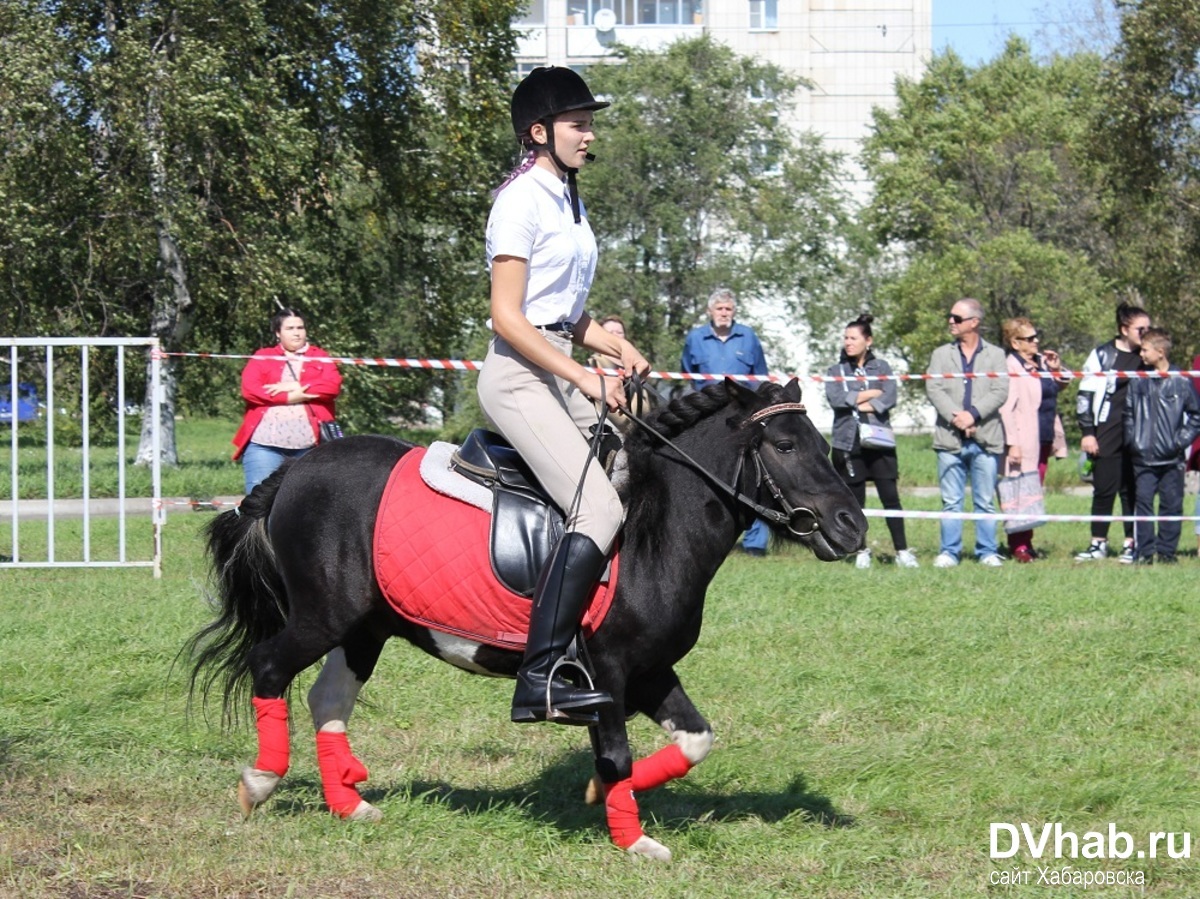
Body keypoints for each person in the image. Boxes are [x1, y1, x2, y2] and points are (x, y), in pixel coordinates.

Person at [478, 67, 650, 726]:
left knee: (636, 465)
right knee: (599, 508)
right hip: (519, 376)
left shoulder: (566, 198)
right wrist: (583, 375)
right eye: (579, 123)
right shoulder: (520, 200)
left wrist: (613, 346)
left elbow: (563, 313)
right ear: (540, 131)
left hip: (558, 364)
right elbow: (509, 317)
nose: (590, 133)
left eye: (589, 122)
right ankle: (540, 675)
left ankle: (607, 636)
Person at [681, 287, 770, 555]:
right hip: (708, 415)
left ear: (734, 312)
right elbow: (686, 376)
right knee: (709, 470)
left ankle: (755, 544)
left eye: (728, 309)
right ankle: (709, 534)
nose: (724, 313)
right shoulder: (695, 338)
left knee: (754, 470)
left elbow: (761, 376)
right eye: (719, 308)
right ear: (710, 311)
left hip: (744, 414)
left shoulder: (748, 337)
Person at [824, 314, 918, 569]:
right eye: (845, 338)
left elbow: (889, 396)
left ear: (868, 341)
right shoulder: (836, 371)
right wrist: (866, 395)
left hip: (880, 440)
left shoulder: (883, 368)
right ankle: (861, 549)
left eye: (853, 338)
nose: (847, 342)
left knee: (891, 497)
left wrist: (858, 400)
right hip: (847, 442)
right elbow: (836, 398)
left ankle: (902, 551)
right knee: (855, 501)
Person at [925, 298, 1010, 568]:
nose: (951, 321)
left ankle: (987, 551)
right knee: (951, 501)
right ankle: (949, 552)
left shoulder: (995, 355)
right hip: (949, 439)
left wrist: (973, 414)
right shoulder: (940, 355)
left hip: (986, 438)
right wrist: (957, 417)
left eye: (957, 318)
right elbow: (934, 388)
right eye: (950, 317)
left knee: (985, 501)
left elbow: (1001, 390)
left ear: (974, 322)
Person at [231, 308, 342, 493]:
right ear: (278, 333)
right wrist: (291, 397)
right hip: (264, 447)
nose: (297, 332)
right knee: (258, 504)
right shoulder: (263, 356)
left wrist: (295, 385)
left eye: (301, 327)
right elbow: (250, 389)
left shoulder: (319, 356)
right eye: (290, 328)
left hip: (309, 447)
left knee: (304, 504)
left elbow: (332, 386)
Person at [1074, 301, 1152, 562]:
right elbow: (1084, 395)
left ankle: (1131, 543)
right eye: (1141, 329)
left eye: (1148, 328)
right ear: (1124, 329)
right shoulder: (1102, 355)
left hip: (1139, 433)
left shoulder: (1149, 356)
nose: (1146, 333)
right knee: (1104, 490)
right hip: (1107, 430)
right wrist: (1087, 431)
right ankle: (1098, 544)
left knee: (1132, 491)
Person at [1123, 328, 1200, 564]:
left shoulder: (1182, 380)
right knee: (1143, 506)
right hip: (1142, 458)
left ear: (1160, 351)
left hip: (1172, 458)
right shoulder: (1138, 380)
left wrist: (1179, 442)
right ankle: (1145, 553)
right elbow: (1128, 413)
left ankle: (1167, 553)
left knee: (1171, 505)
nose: (1141, 354)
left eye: (1145, 350)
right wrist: (1133, 440)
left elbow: (1196, 416)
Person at [997, 317, 1069, 562]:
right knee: (1019, 493)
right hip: (1023, 440)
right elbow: (1006, 408)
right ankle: (1018, 545)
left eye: (1036, 336)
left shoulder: (1040, 363)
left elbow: (1059, 386)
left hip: (1044, 436)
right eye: (1030, 338)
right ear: (1015, 343)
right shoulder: (1011, 366)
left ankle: (1027, 542)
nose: (1036, 341)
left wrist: (1056, 368)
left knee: (1032, 492)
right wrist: (1012, 443)